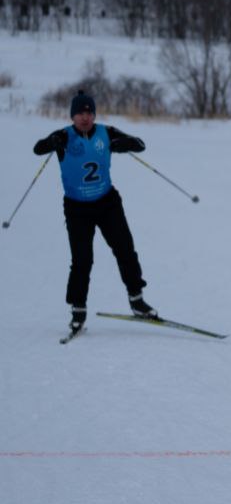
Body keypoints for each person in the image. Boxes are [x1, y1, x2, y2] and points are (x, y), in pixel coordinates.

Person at [32, 90, 158, 336]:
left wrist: (124, 143)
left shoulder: (106, 132)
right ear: (72, 115)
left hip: (107, 202)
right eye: (80, 112)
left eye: (89, 112)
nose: (85, 117)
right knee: (82, 260)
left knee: (125, 249)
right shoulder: (63, 136)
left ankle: (137, 300)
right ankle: (78, 311)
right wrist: (51, 143)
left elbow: (140, 144)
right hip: (77, 208)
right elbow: (38, 149)